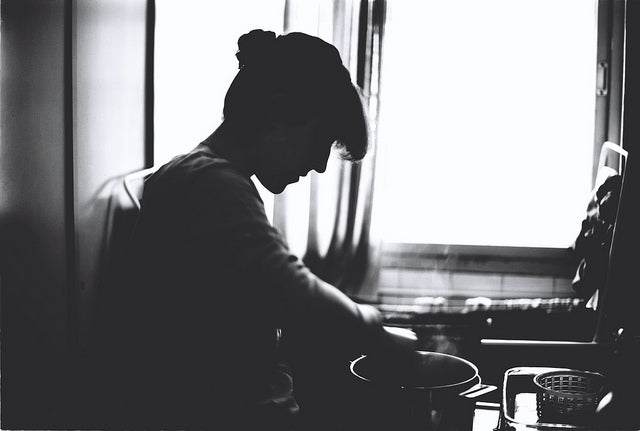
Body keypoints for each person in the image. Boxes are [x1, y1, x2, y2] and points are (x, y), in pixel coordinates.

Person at [118, 29, 414, 430]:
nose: (319, 164)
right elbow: (292, 288)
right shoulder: (213, 183)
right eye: (321, 140)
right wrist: (372, 327)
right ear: (282, 114)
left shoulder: (199, 174)